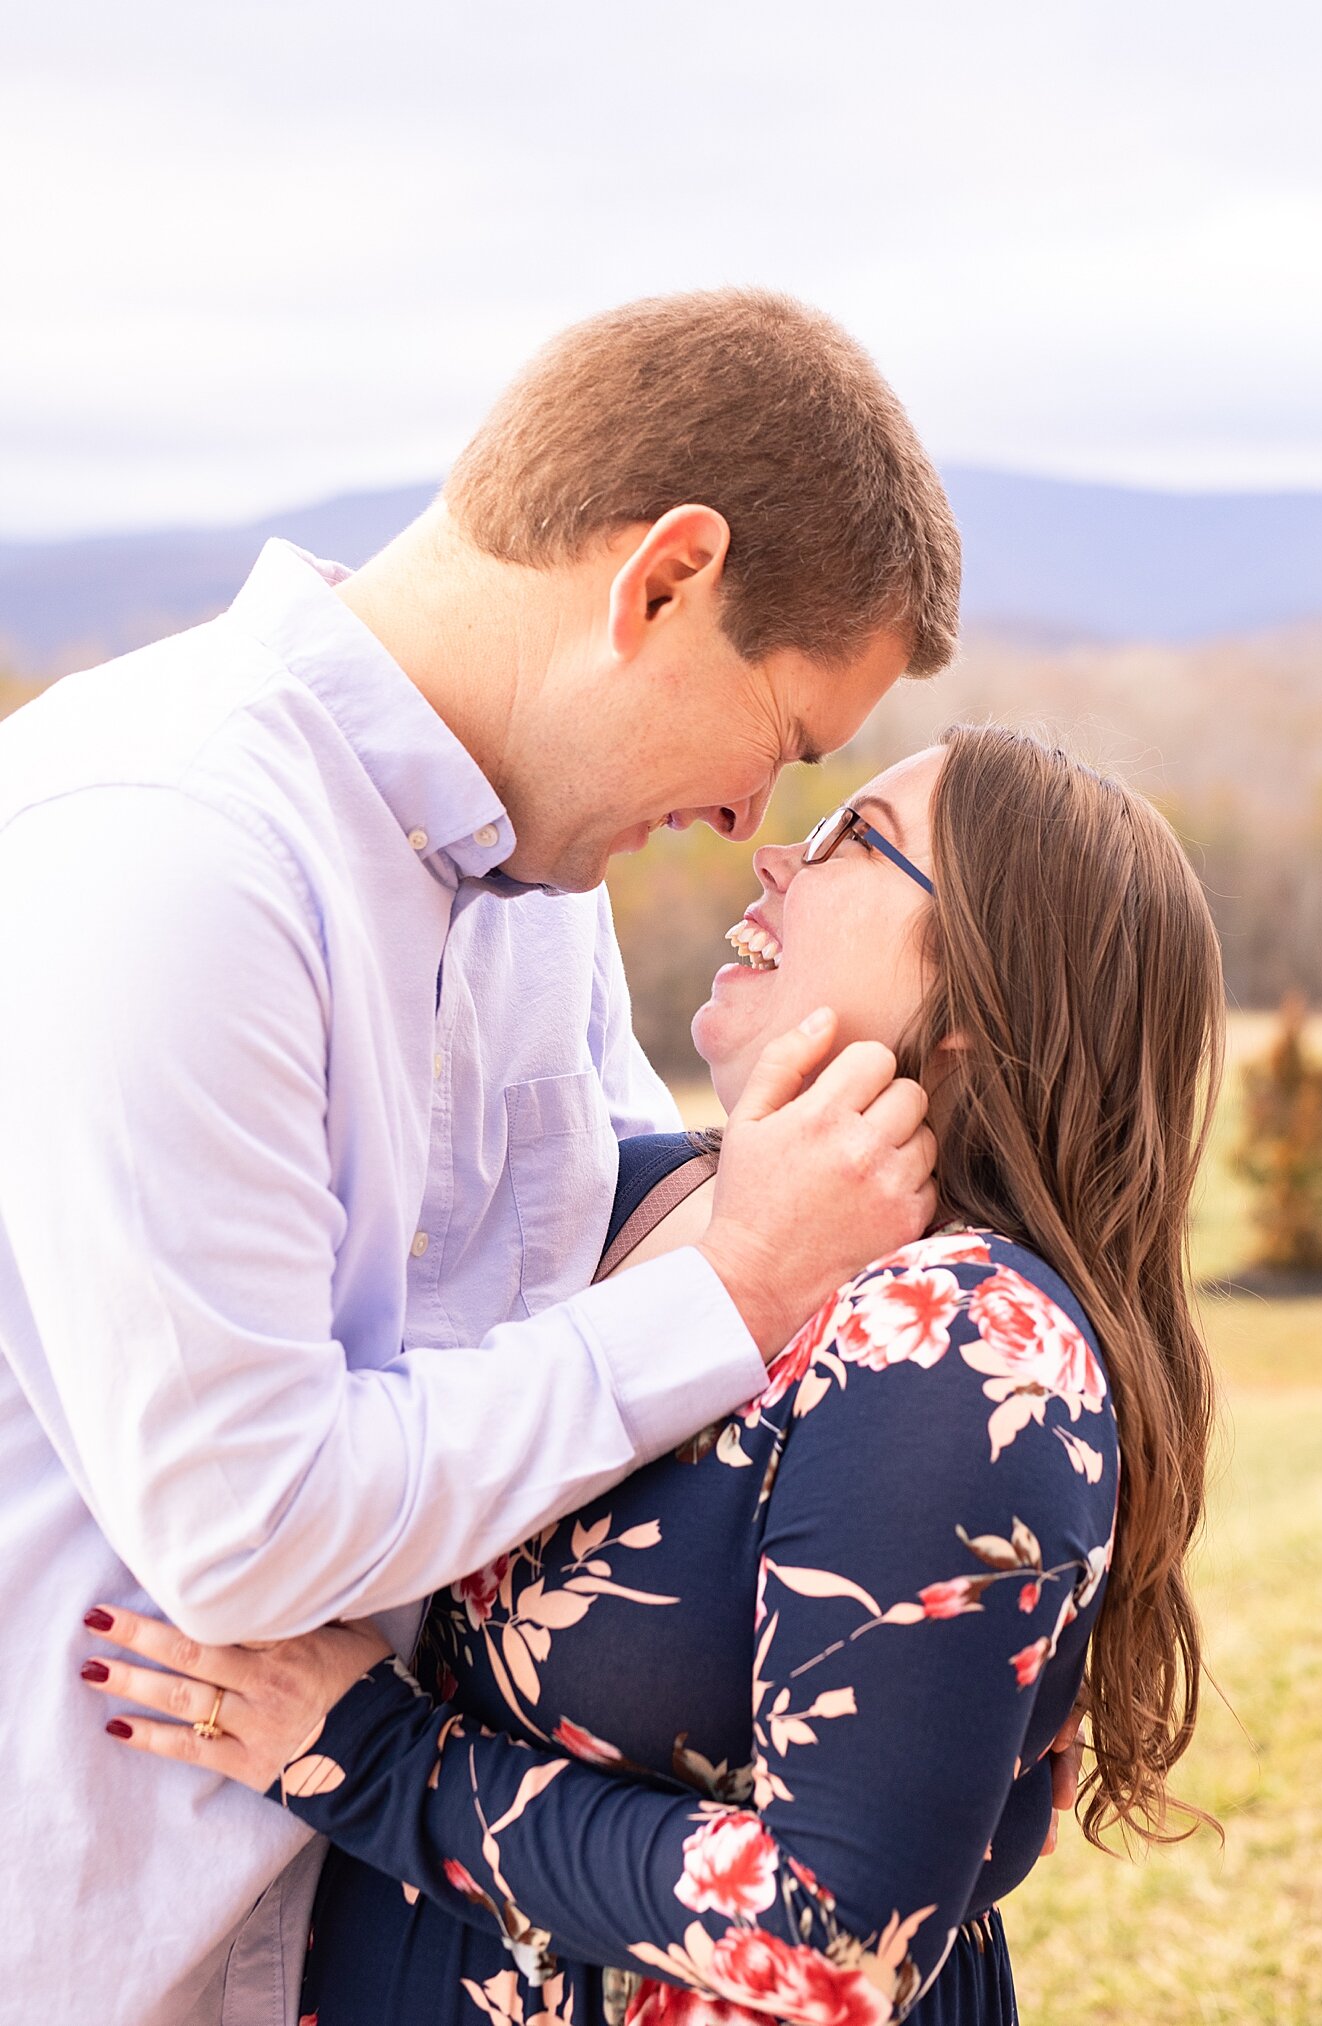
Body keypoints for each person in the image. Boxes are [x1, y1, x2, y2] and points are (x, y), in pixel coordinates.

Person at [0, 289, 963, 2024]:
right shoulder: (171, 851)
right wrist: (742, 1276)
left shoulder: (532, 882)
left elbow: (579, 1298)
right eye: (788, 734)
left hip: (384, 1907)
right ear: (661, 581)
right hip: (110, 1936)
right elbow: (248, 1522)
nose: (756, 816)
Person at [88, 726, 1226, 2026]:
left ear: (980, 1002)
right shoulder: (630, 1196)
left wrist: (362, 1753)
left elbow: (835, 1934)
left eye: (856, 838)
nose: (779, 852)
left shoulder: (962, 1342)